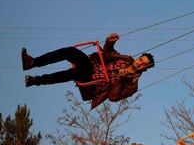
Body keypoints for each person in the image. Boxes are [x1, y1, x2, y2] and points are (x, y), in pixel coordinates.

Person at [21, 33, 153, 108]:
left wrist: (119, 79)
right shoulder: (125, 59)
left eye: (144, 65)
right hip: (92, 64)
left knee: (74, 73)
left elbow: (113, 98)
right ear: (138, 58)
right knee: (71, 52)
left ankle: (36, 81)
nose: (140, 64)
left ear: (145, 69)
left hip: (94, 82)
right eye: (141, 60)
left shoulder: (132, 85)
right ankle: (32, 62)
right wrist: (110, 42)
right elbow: (107, 54)